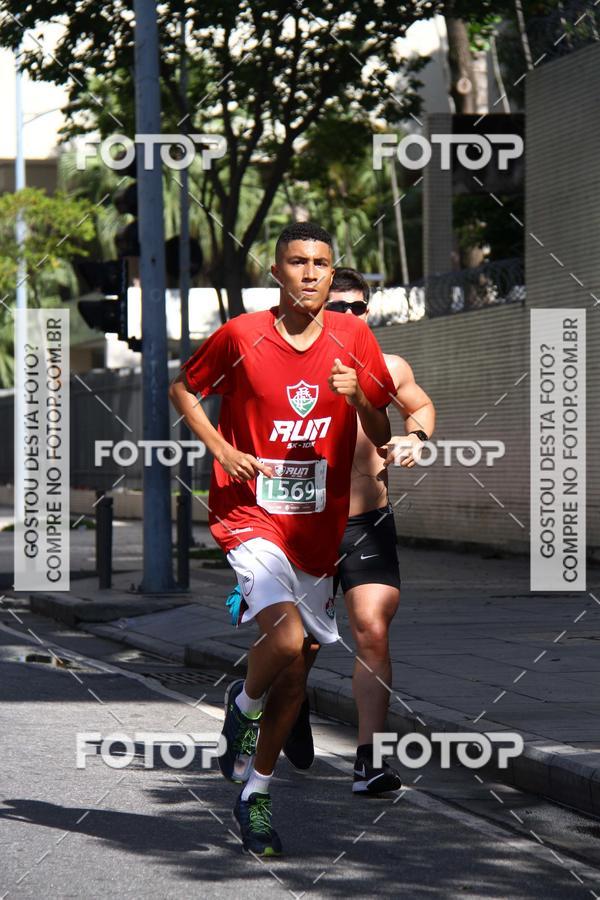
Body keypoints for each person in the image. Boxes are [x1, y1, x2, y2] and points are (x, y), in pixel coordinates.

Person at [169, 225, 395, 856]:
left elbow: (381, 423)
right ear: (277, 271)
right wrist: (220, 447)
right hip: (250, 513)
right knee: (286, 638)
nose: (311, 273)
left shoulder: (354, 337)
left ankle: (255, 794)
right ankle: (241, 706)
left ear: (333, 272)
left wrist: (364, 401)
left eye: (322, 263)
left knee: (295, 679)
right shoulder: (243, 335)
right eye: (298, 262)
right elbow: (184, 386)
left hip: (318, 529)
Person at [283, 267, 435, 794]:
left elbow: (420, 407)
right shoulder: (292, 369)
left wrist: (416, 438)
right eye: (338, 307)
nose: (349, 317)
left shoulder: (387, 367)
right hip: (305, 526)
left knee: (372, 628)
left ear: (366, 313)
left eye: (358, 308)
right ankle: (292, 702)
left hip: (368, 522)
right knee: (302, 644)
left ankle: (369, 761)